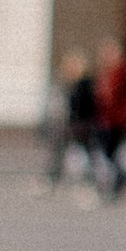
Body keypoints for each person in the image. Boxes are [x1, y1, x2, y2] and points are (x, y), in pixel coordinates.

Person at [91, 42, 126, 198]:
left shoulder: (123, 72)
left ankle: (118, 181)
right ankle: (116, 182)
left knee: (109, 152)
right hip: (107, 118)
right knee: (107, 152)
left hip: (116, 119)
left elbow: (110, 95)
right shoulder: (110, 71)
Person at [48, 54, 97, 190]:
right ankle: (53, 177)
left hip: (81, 125)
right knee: (61, 148)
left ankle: (93, 181)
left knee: (89, 153)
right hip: (76, 124)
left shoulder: (84, 85)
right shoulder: (74, 84)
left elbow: (83, 107)